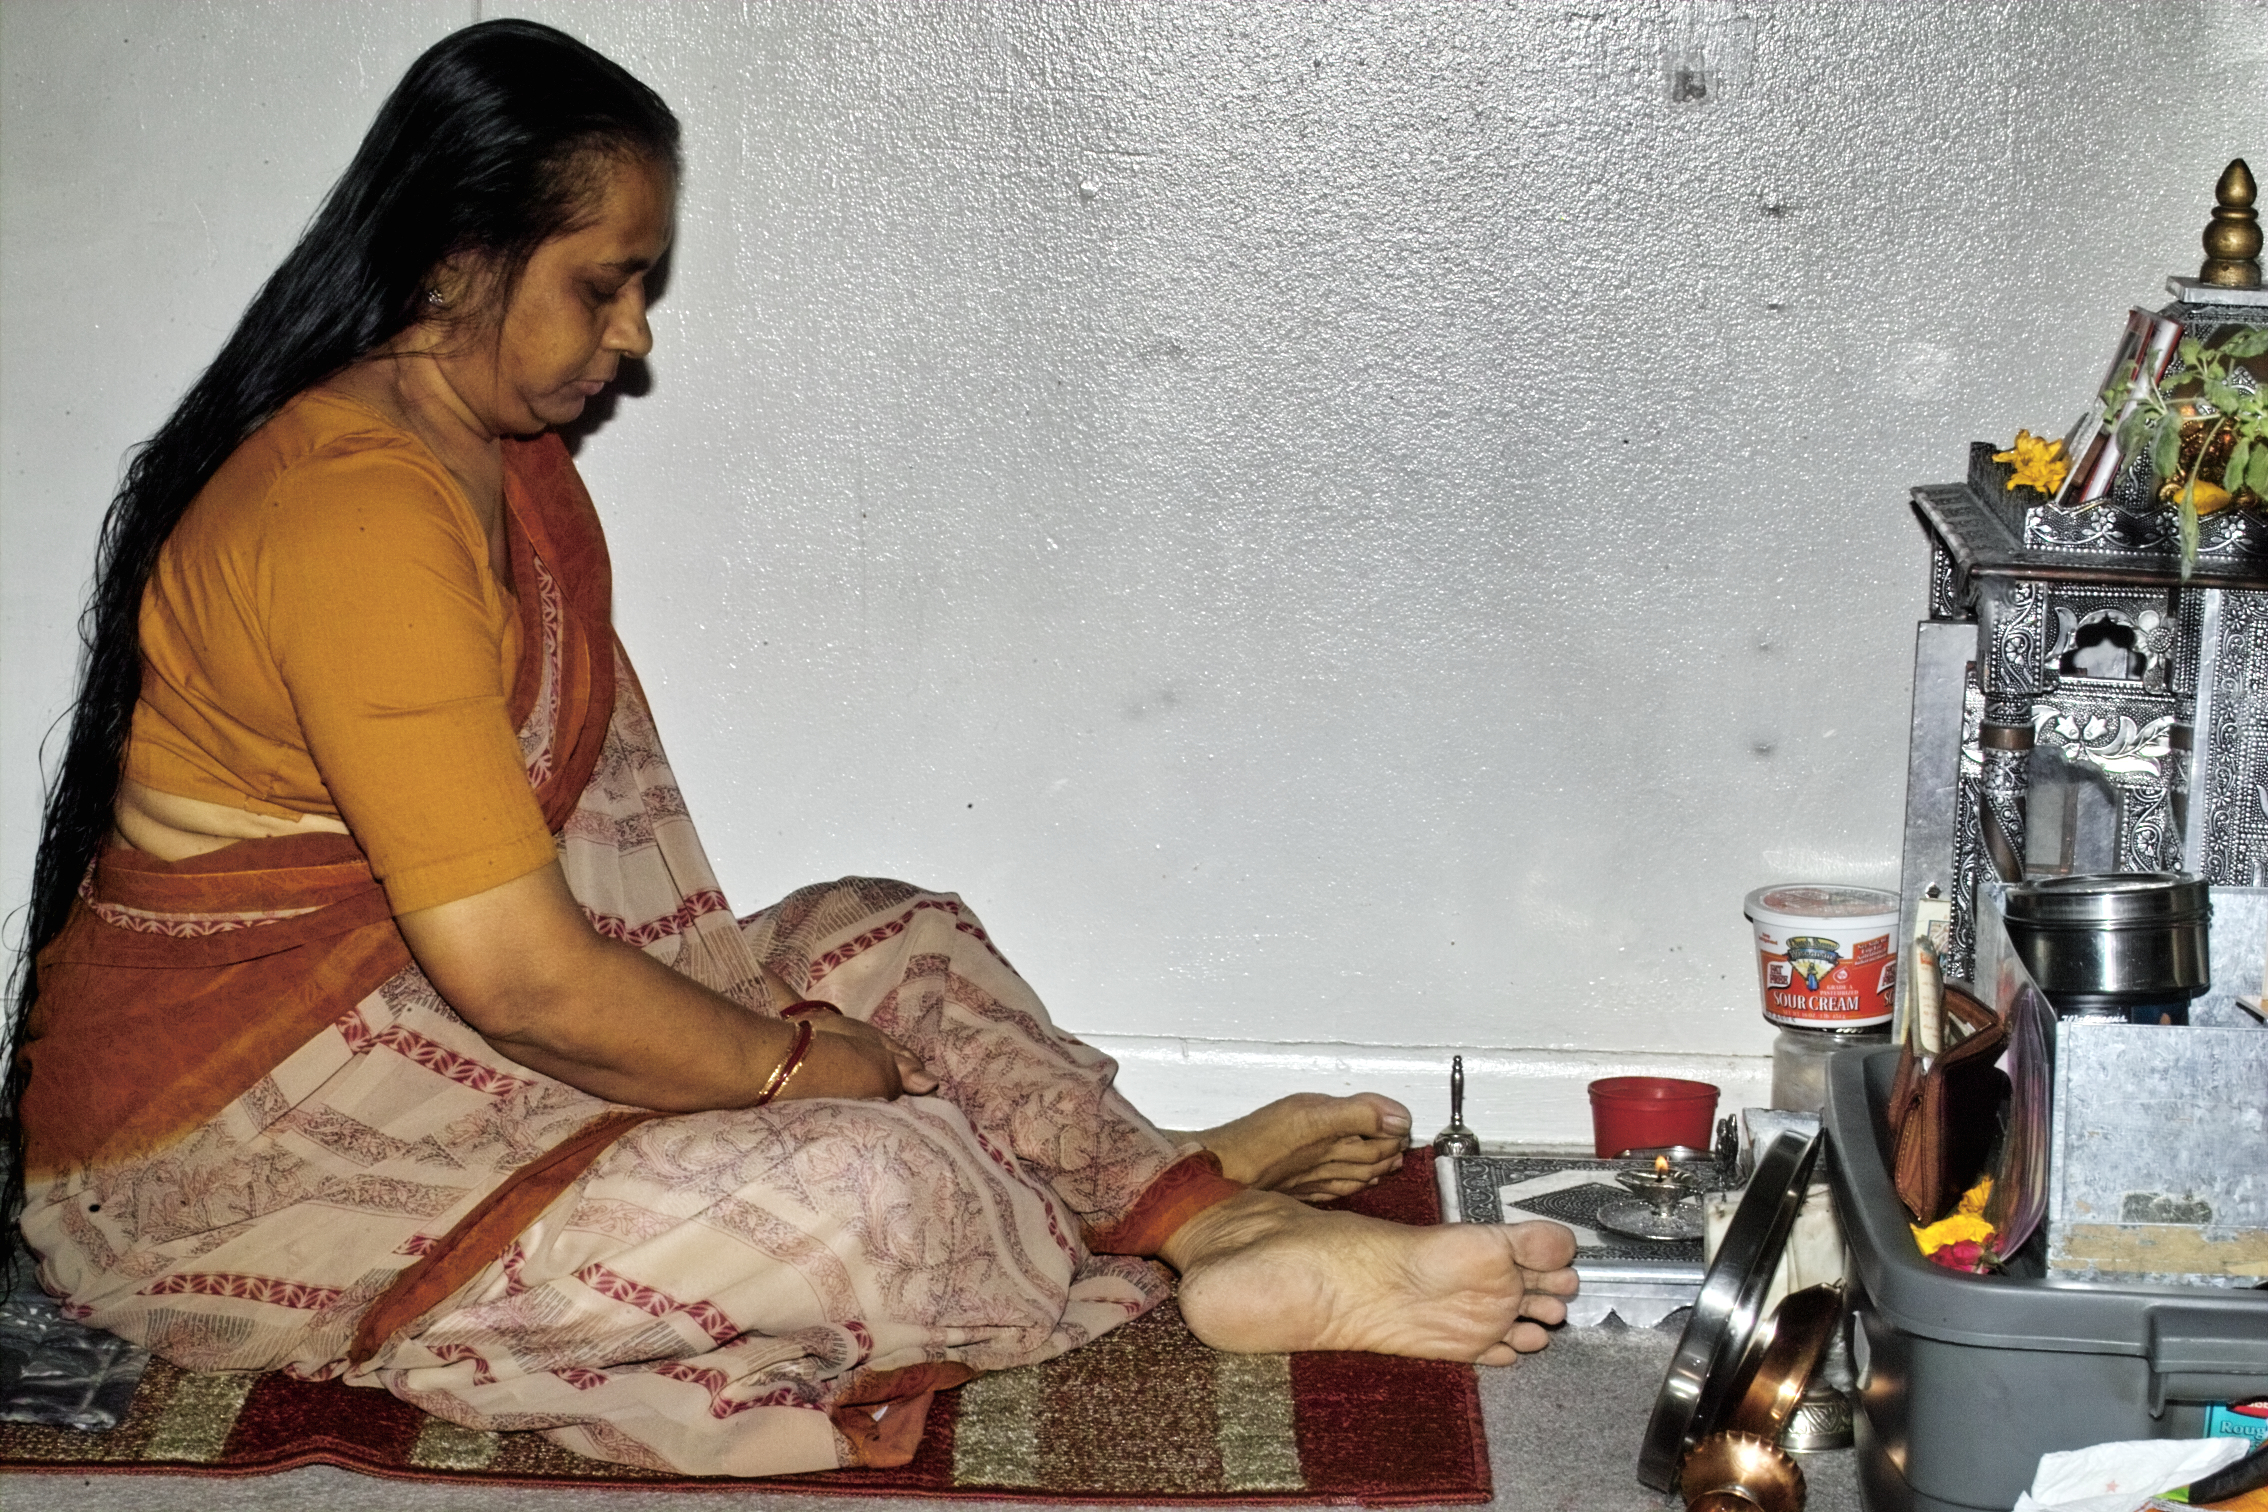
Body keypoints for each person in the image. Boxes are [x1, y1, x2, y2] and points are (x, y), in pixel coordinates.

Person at [6, 20, 1576, 1478]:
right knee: (875, 1186)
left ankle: (1186, 1209)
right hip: (239, 1155)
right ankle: (1145, 1212)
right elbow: (527, 983)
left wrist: (799, 1049)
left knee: (896, 935)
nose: (633, 339)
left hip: (446, 1039)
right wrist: (787, 1070)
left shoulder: (491, 457)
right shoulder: (353, 512)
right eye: (605, 286)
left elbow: (540, 946)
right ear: (457, 260)